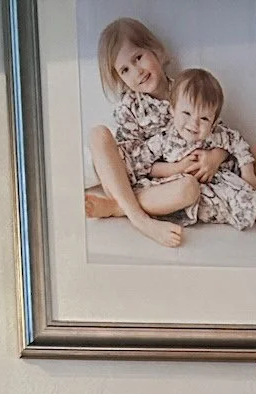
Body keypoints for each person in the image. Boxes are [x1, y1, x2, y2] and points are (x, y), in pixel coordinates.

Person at [84, 17, 218, 250]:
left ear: (155, 50)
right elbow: (134, 163)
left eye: (138, 58)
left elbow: (215, 127)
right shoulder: (130, 107)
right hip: (124, 180)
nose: (137, 71)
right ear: (121, 79)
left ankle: (118, 208)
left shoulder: (185, 89)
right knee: (98, 134)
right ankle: (140, 219)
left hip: (160, 188)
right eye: (125, 69)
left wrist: (216, 157)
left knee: (189, 189)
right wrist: (174, 167)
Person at [149, 68, 256, 232]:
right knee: (208, 201)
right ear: (172, 110)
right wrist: (175, 168)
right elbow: (145, 166)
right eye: (186, 113)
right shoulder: (163, 139)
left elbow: (237, 143)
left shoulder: (215, 134)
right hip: (198, 188)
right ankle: (249, 209)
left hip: (225, 176)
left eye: (204, 118)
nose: (193, 124)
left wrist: (247, 172)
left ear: (214, 122)